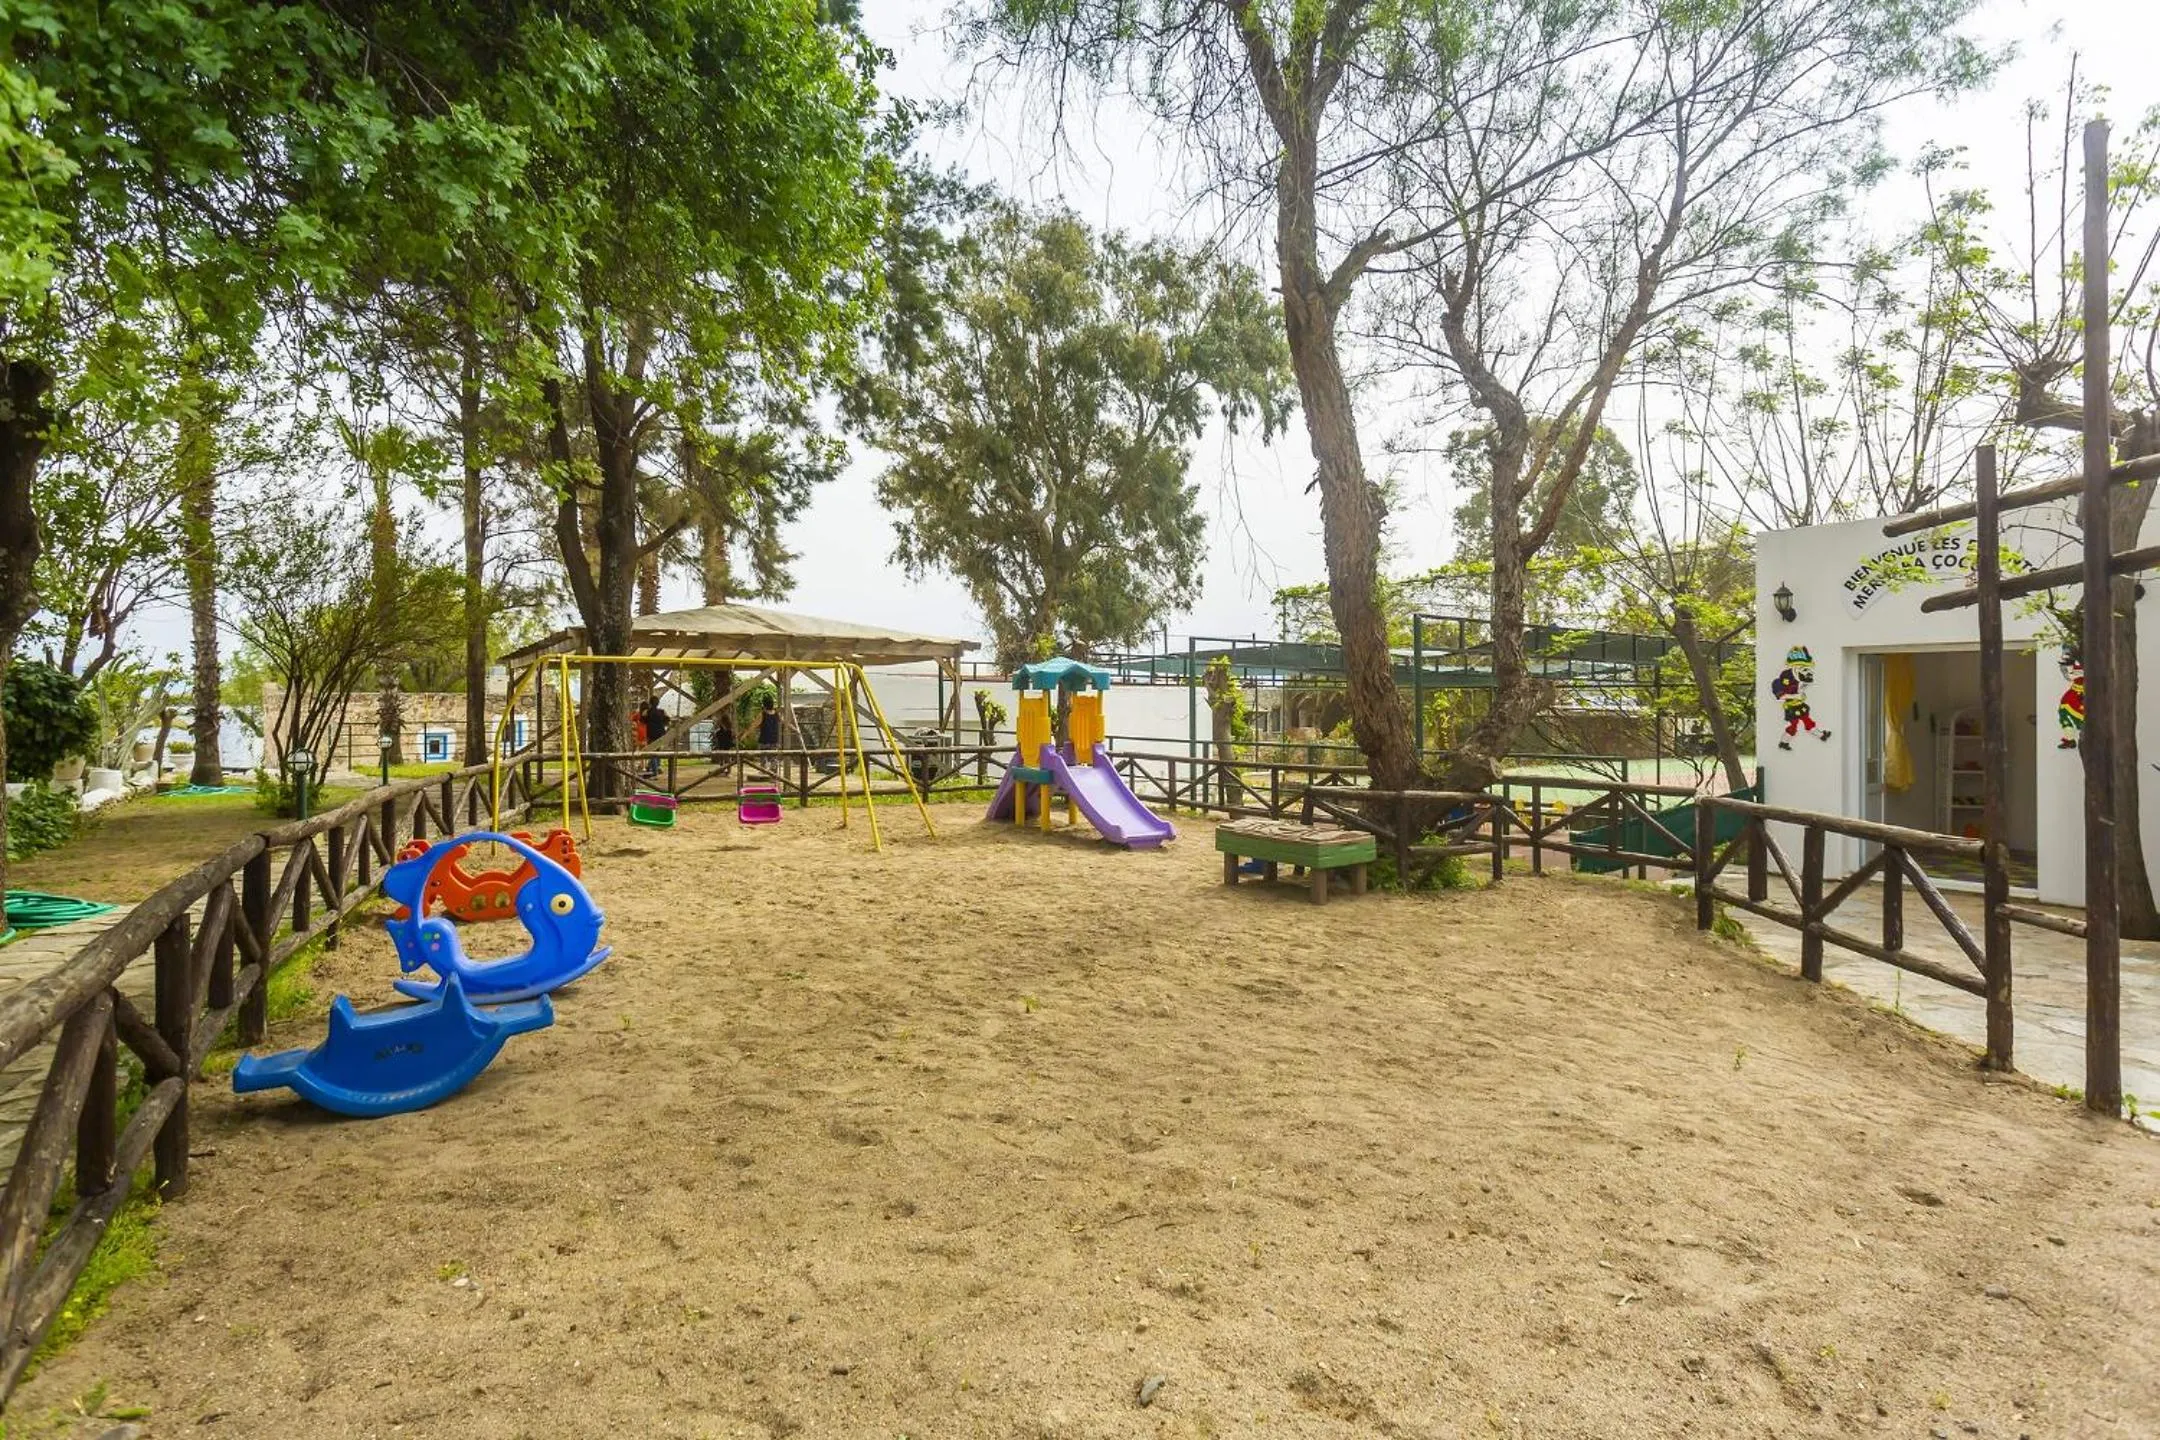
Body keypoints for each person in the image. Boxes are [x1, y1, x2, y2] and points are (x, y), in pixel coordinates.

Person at [640, 696, 670, 777]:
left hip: (651, 734)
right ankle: (656, 767)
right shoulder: (662, 711)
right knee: (658, 751)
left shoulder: (647, 712)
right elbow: (667, 720)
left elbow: (642, 720)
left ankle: (655, 770)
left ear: (650, 703)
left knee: (652, 752)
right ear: (658, 703)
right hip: (660, 733)